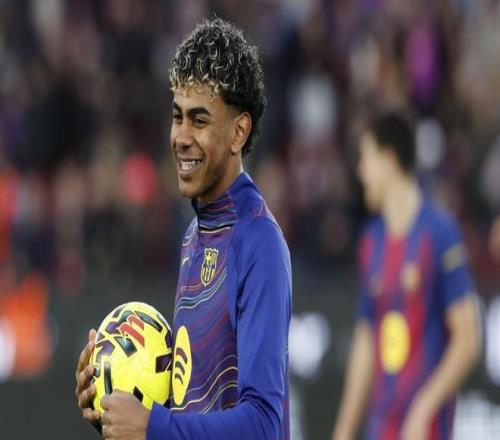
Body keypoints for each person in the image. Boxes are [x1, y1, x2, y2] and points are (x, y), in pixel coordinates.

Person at [75, 17, 291, 440]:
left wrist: (152, 426)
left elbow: (265, 424)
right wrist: (110, 391)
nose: (181, 137)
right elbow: (197, 401)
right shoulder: (195, 236)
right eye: (177, 117)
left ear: (238, 131)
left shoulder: (258, 242)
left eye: (199, 120)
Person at [332, 112, 481, 440]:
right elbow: (366, 341)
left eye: (366, 158)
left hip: (426, 430)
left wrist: (425, 406)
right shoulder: (371, 241)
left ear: (388, 160)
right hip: (381, 427)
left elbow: (468, 339)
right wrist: (343, 430)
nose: (361, 172)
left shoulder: (440, 232)